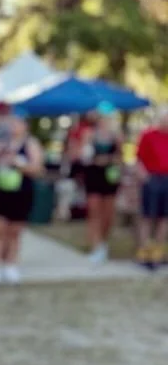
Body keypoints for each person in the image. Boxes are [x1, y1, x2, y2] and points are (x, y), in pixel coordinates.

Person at [0, 113, 44, 284]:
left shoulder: (30, 144)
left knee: (14, 231)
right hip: (0, 192)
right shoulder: (0, 143)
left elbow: (37, 168)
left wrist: (19, 164)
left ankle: (11, 264)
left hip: (21, 192)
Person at [80, 102, 123, 264]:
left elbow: (120, 157)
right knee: (94, 212)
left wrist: (109, 160)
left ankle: (103, 242)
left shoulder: (116, 136)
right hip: (94, 175)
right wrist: (94, 159)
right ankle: (95, 246)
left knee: (108, 214)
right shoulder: (89, 134)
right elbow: (83, 155)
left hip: (109, 176)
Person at [135, 106, 168, 270]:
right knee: (147, 216)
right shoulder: (148, 136)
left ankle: (158, 252)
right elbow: (139, 159)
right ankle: (144, 251)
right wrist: (144, 176)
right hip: (152, 179)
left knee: (164, 218)